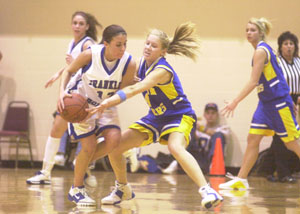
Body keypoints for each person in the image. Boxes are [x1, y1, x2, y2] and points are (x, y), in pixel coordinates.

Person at [87, 22, 223, 209]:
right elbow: (119, 79)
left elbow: (136, 88)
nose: (148, 47)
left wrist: (109, 102)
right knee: (115, 145)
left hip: (179, 116)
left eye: (154, 45)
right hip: (156, 118)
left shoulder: (162, 70)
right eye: (147, 43)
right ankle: (122, 189)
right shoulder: (140, 64)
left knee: (176, 148)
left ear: (163, 52)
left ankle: (207, 190)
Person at [58, 24, 136, 206]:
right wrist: (61, 92)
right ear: (106, 43)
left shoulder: (128, 62)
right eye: (118, 44)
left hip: (106, 106)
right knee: (89, 146)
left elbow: (121, 92)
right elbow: (68, 70)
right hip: (82, 105)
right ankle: (76, 189)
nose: (123, 48)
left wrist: (131, 83)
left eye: (125, 44)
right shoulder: (90, 54)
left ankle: (82, 161)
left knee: (115, 140)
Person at [219, 18, 300, 190]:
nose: (248, 33)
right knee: (252, 138)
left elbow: (253, 82)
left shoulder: (261, 51)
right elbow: (281, 76)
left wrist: (235, 102)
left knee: (291, 144)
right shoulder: (261, 50)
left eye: (253, 30)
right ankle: (241, 179)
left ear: (261, 32)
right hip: (265, 104)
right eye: (247, 30)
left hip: (278, 103)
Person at [26, 11, 102, 186]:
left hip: (83, 96)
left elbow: (90, 67)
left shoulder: (88, 44)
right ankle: (46, 172)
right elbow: (73, 64)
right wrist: (58, 74)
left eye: (81, 23)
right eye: (74, 22)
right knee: (56, 130)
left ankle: (86, 170)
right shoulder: (72, 43)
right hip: (71, 94)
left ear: (87, 27)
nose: (77, 26)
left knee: (87, 137)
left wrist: (71, 66)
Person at [262, 31, 300, 183]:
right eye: (286, 44)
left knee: (282, 137)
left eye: (291, 44)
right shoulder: (277, 62)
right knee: (283, 137)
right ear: (280, 46)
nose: (289, 47)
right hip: (282, 99)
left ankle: (267, 169)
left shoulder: (298, 61)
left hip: (296, 99)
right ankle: (283, 173)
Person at [162, 102, 230, 174]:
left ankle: (212, 164)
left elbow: (217, 134)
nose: (210, 115)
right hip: (198, 158)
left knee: (218, 135)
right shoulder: (198, 128)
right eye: (208, 113)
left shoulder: (223, 128)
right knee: (188, 131)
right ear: (204, 115)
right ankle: (177, 162)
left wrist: (202, 129)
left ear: (217, 115)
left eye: (213, 113)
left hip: (209, 159)